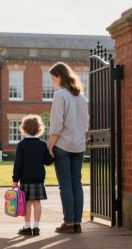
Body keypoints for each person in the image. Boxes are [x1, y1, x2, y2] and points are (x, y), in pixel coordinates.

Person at [48, 62, 89, 234]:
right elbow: (86, 124)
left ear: (59, 77)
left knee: (65, 184)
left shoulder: (60, 95)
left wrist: (50, 146)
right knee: (76, 184)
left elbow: (57, 124)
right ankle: (77, 222)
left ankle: (68, 222)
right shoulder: (81, 97)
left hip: (63, 145)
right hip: (79, 146)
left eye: (53, 78)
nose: (52, 82)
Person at [12, 114, 54, 236]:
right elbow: (48, 162)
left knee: (27, 203)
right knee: (37, 202)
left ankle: (27, 227)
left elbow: (18, 164)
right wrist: (52, 153)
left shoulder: (21, 145)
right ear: (39, 128)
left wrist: (15, 180)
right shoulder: (42, 144)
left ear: (23, 128)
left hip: (25, 179)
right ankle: (36, 228)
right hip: (39, 179)